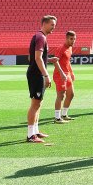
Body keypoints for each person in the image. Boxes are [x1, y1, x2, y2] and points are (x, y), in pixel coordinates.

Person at [26, 15, 59, 143]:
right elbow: (37, 58)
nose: (53, 28)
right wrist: (46, 75)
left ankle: (35, 131)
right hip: (36, 74)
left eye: (54, 25)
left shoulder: (40, 37)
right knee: (35, 104)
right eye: (52, 25)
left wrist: (49, 60)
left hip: (37, 73)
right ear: (44, 24)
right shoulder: (40, 37)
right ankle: (30, 135)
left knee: (38, 103)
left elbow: (37, 57)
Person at [53, 31, 77, 124]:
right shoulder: (61, 48)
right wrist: (62, 73)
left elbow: (68, 62)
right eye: (71, 39)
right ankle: (57, 117)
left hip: (67, 74)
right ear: (66, 38)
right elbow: (56, 61)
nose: (73, 41)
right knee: (61, 95)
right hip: (60, 75)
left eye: (74, 39)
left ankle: (64, 114)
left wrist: (71, 72)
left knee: (71, 94)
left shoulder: (70, 48)